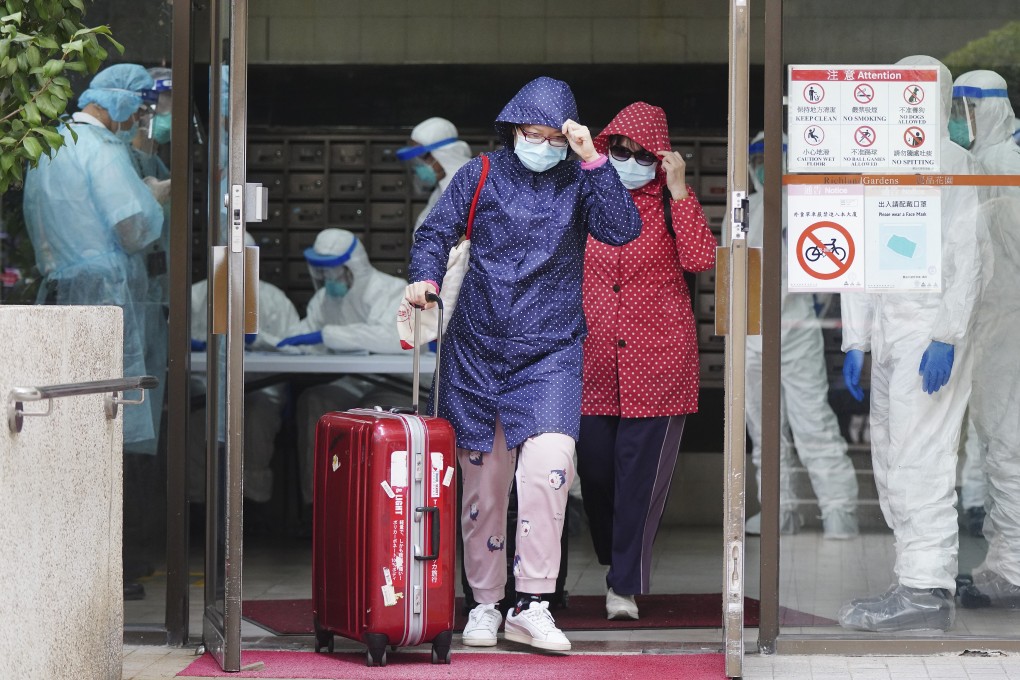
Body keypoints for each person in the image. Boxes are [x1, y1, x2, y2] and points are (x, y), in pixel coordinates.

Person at [403, 76, 642, 652]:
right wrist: (425, 279)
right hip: (477, 350)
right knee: (483, 491)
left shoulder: (580, 179)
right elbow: (435, 232)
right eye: (535, 135)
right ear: (513, 129)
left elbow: (622, 228)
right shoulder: (479, 173)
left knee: (550, 470)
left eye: (556, 139)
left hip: (551, 352)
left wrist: (592, 158)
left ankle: (532, 603)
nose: (545, 147)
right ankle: (485, 603)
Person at [838, 55, 987, 632]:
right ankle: (912, 577)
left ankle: (926, 590)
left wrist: (947, 334)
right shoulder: (882, 160)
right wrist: (856, 338)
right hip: (889, 331)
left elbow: (968, 257)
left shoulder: (955, 163)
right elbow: (856, 250)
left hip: (929, 330)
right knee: (892, 454)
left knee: (921, 455)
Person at [576, 102, 716, 621]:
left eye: (643, 155)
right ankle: (615, 557)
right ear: (606, 147)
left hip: (657, 365)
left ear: (661, 159)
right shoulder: (585, 197)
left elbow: (702, 259)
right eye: (621, 150)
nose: (630, 162)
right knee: (595, 472)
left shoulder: (670, 204)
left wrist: (680, 191)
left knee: (639, 479)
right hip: (592, 364)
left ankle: (623, 585)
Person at [23, 63, 163, 446]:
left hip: (58, 288)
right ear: (118, 102)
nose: (136, 121)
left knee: (66, 404)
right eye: (137, 110)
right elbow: (131, 230)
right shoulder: (102, 149)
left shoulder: (52, 143)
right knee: (107, 407)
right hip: (103, 291)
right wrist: (153, 197)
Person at [740, 132, 859, 540]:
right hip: (751, 335)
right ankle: (779, 511)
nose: (763, 168)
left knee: (813, 423)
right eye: (757, 160)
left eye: (771, 159)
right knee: (763, 429)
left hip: (797, 331)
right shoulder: (744, 208)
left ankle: (839, 510)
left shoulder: (807, 206)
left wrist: (812, 315)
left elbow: (829, 275)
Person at [277, 228, 413, 509]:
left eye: (335, 270)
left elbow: (392, 337)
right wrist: (272, 342)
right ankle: (320, 503)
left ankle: (373, 506)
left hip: (395, 383)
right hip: (352, 381)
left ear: (354, 265)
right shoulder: (324, 300)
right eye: (323, 270)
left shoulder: (390, 290)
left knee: (374, 414)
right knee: (315, 402)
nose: (329, 277)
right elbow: (304, 335)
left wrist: (327, 335)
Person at [950, 69, 1020, 609]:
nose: (959, 121)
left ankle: (1012, 569)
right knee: (998, 444)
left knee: (1007, 446)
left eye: (967, 111)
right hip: (994, 324)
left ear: (990, 109)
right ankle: (1005, 563)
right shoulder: (987, 161)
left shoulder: (1004, 163)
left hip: (1007, 324)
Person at [188, 232, 300, 508]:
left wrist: (259, 341)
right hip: (205, 386)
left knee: (257, 420)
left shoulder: (273, 299)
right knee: (198, 421)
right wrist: (195, 344)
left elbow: (294, 346)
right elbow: (172, 342)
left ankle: (251, 504)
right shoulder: (196, 295)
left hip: (263, 386)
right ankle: (200, 504)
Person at [395, 117, 473, 231]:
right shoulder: (446, 187)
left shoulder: (461, 191)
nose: (420, 164)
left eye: (422, 157)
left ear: (442, 155)